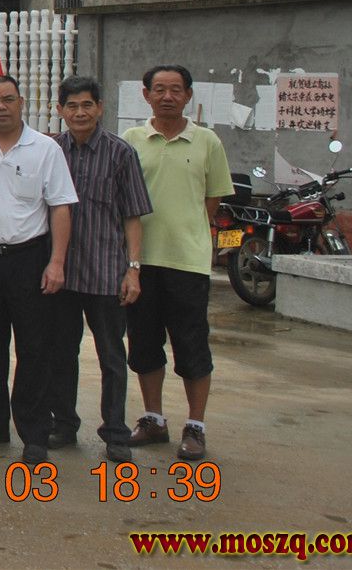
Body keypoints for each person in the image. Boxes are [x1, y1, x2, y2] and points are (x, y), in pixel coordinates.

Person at [0, 74, 78, 465]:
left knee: (34, 349)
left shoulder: (45, 148)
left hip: (31, 259)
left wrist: (56, 262)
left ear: (21, 102)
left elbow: (60, 207)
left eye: (8, 99)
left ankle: (34, 432)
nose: (1, 107)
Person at [122, 65, 232, 462]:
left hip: (188, 263)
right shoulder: (131, 141)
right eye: (159, 89)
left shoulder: (207, 141)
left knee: (192, 345)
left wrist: (187, 232)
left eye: (175, 89)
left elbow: (212, 199)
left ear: (188, 95)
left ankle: (195, 426)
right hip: (140, 262)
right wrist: (131, 261)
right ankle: (153, 419)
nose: (167, 96)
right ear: (146, 94)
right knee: (144, 344)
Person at [50, 76, 152, 463]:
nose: (80, 113)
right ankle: (64, 424)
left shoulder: (120, 153)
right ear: (60, 110)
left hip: (107, 273)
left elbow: (133, 216)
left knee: (111, 356)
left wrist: (133, 269)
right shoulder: (51, 151)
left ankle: (115, 432)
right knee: (61, 353)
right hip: (62, 274)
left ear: (100, 107)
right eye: (72, 106)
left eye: (87, 105)